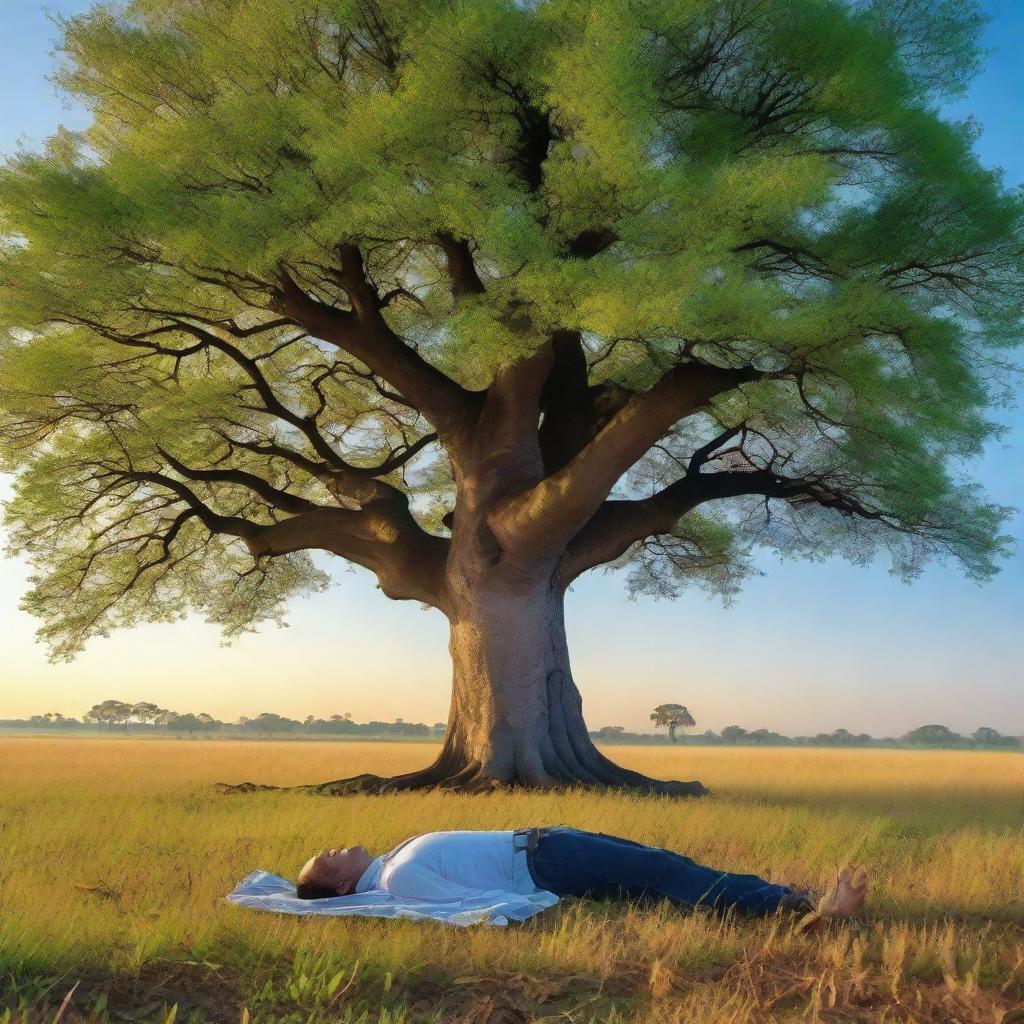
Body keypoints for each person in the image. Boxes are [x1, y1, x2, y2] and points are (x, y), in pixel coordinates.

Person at [295, 826, 868, 930]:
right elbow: (478, 905)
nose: (326, 850)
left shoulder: (393, 862)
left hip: (547, 842)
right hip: (548, 861)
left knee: (666, 869)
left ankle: (786, 897)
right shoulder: (400, 880)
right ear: (343, 887)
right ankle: (804, 908)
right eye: (323, 862)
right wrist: (540, 901)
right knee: (668, 875)